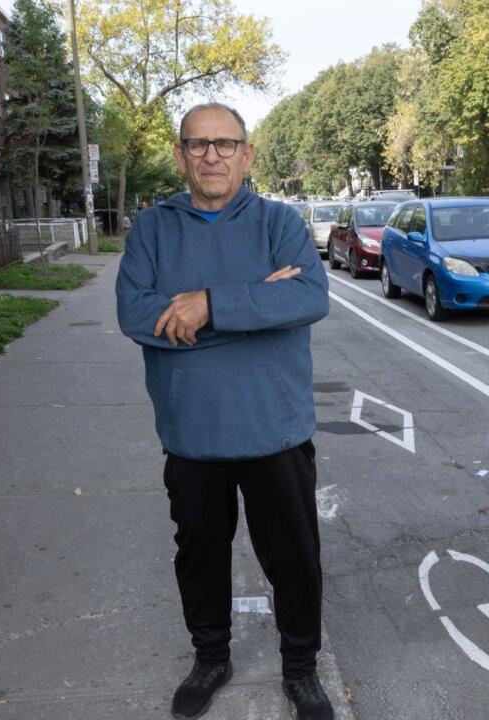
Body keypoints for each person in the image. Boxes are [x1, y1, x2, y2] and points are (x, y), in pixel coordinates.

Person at [115, 102, 334, 720]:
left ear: (247, 153)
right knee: (200, 558)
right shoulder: (152, 229)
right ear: (181, 154)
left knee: (294, 560)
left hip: (276, 430)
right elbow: (136, 315)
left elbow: (309, 297)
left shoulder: (279, 223)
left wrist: (206, 306)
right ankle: (211, 658)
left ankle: (301, 669)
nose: (212, 155)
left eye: (225, 143)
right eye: (198, 144)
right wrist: (255, 305)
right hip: (193, 433)